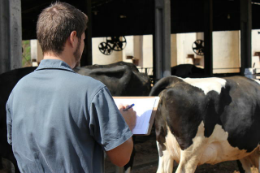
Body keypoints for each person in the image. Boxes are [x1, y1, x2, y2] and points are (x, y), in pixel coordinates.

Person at [6, 2, 136, 173]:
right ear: (73, 38)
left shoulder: (18, 90)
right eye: (83, 40)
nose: (83, 46)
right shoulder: (92, 91)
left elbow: (16, 144)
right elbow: (121, 158)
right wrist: (126, 124)